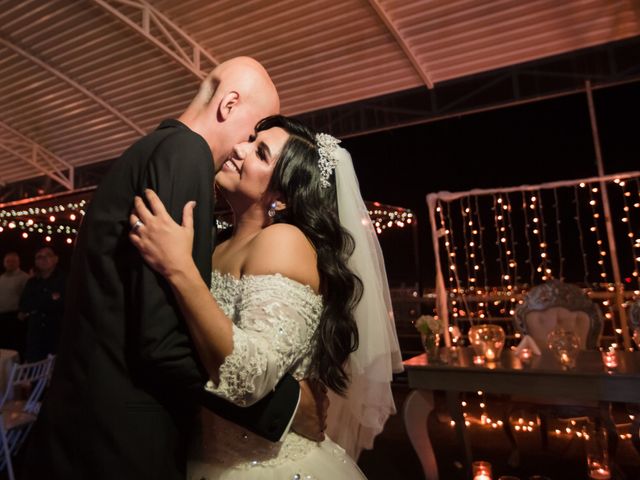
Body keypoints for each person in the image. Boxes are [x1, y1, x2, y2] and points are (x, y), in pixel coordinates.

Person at [23, 58, 325, 480]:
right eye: (252, 131)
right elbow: (161, 341)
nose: (240, 147)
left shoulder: (158, 150)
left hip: (110, 423)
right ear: (229, 104)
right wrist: (288, 407)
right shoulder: (185, 154)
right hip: (123, 435)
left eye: (257, 147)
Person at [129, 115, 403, 478]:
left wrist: (179, 268)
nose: (239, 149)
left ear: (282, 197)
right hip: (197, 457)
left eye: (259, 152)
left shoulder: (283, 241)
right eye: (251, 139)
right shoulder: (217, 244)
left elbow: (250, 377)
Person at [18, 247, 66, 361]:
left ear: (55, 259)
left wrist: (38, 304)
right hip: (35, 335)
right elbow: (24, 305)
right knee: (32, 370)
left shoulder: (65, 280)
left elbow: (64, 304)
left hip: (57, 334)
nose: (43, 259)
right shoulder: (32, 282)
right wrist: (51, 298)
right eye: (39, 257)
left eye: (47, 256)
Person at [0, 252, 29, 353]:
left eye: (13, 261)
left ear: (18, 263)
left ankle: (15, 368)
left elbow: (28, 297)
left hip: (15, 318)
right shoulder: (2, 278)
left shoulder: (25, 278)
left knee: (14, 347)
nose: (10, 263)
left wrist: (23, 311)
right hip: (2, 317)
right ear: (4, 263)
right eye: (8, 261)